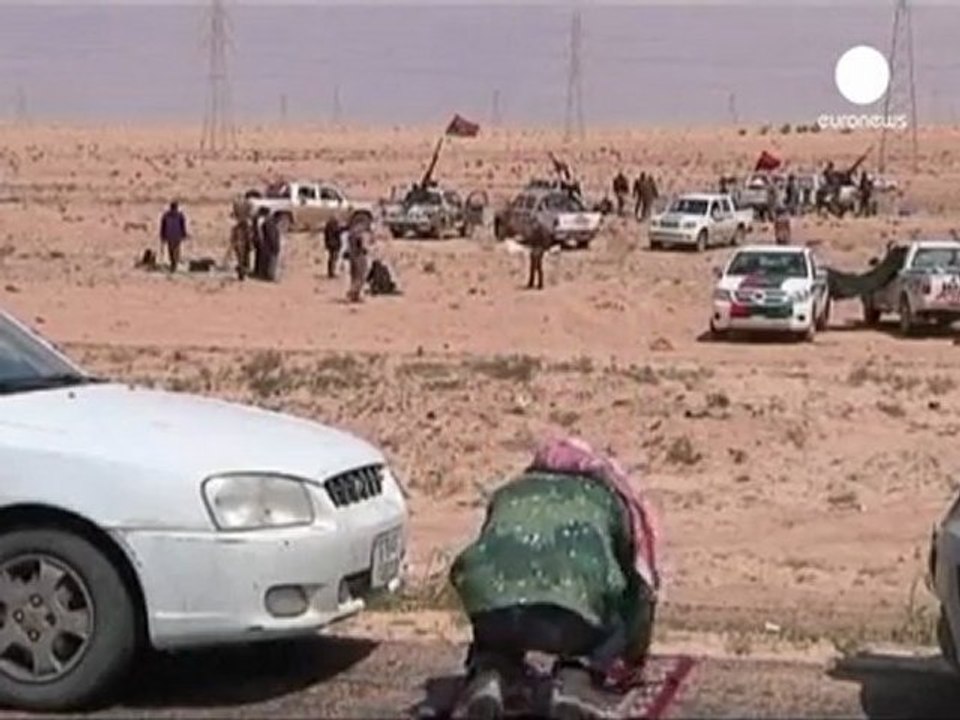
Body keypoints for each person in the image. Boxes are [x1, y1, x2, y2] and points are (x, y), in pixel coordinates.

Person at [449, 436, 660, 719]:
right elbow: (639, 589)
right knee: (615, 610)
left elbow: (492, 552)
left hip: (491, 608)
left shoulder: (511, 490)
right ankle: (576, 679)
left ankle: (491, 671)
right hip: (569, 618)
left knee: (501, 597)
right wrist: (634, 655)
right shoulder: (610, 499)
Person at [159, 201, 188, 273]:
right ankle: (174, 263)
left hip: (171, 235)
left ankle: (174, 263)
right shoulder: (178, 215)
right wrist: (184, 234)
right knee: (174, 250)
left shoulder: (167, 215)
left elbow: (163, 226)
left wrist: (162, 235)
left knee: (173, 250)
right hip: (175, 235)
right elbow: (182, 226)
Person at [526, 224, 554, 291]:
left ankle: (536, 283)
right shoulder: (540, 230)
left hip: (538, 248)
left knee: (537, 266)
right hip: (537, 248)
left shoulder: (539, 231)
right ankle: (536, 283)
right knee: (536, 267)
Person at [346, 225, 369, 302]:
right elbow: (362, 248)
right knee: (360, 277)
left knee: (354, 276)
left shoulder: (350, 237)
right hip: (359, 257)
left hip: (352, 257)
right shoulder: (358, 237)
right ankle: (353, 293)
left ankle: (355, 295)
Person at [229, 215, 253, 281]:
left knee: (241, 261)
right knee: (243, 261)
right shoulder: (245, 229)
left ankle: (241, 274)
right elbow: (249, 238)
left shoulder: (236, 228)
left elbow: (232, 238)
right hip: (243, 246)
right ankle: (242, 274)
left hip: (239, 246)